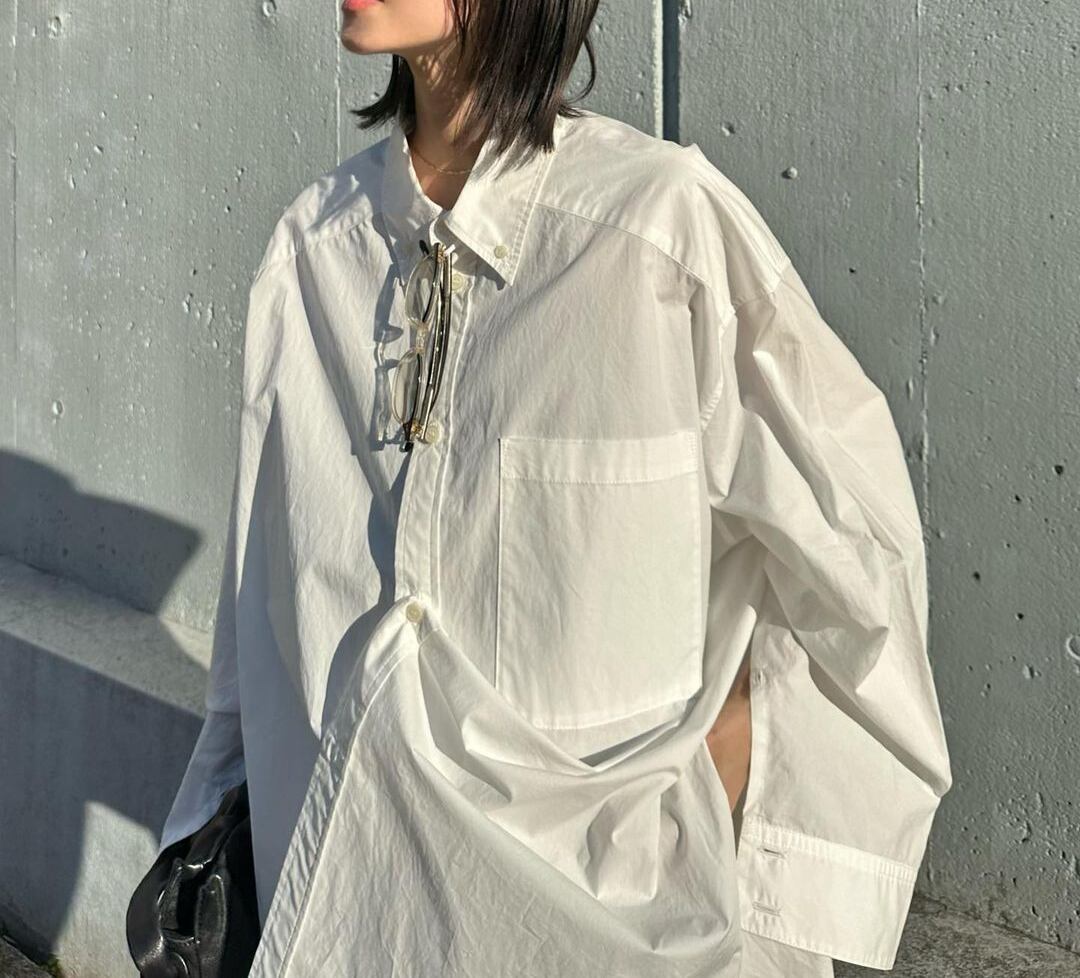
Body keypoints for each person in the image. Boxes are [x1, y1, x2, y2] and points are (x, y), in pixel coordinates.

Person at [157, 1, 952, 976]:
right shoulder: (314, 246)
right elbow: (261, 592)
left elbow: (850, 543)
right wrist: (203, 821)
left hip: (596, 923)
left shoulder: (655, 227)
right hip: (352, 908)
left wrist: (759, 836)